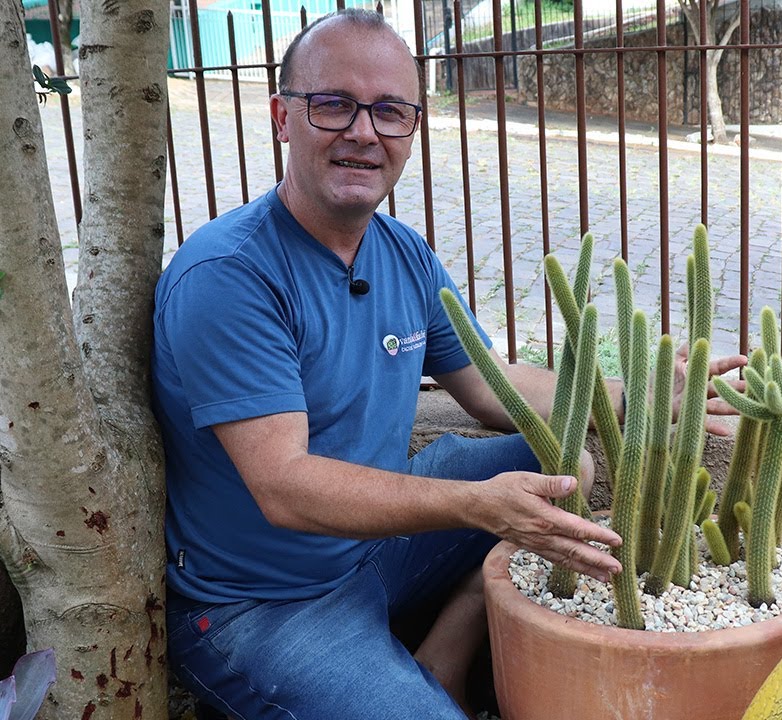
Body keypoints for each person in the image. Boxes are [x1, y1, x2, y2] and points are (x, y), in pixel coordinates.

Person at [153, 9, 745, 720]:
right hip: (263, 604)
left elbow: (496, 390)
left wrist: (650, 396)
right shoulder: (229, 275)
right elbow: (286, 488)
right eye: (334, 104)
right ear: (284, 117)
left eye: (390, 111)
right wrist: (473, 504)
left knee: (564, 470)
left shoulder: (403, 253)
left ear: (412, 129)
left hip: (373, 548)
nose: (364, 133)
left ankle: (443, 657)